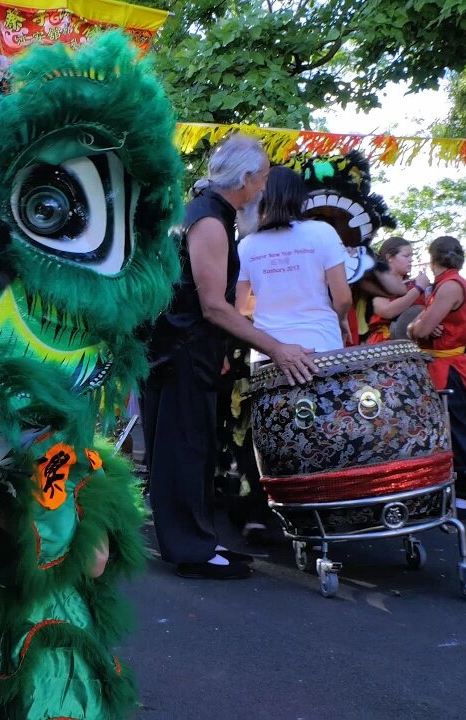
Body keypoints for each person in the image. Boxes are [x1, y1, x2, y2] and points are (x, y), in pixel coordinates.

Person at [144, 134, 316, 581]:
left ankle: (200, 541)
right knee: (183, 451)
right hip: (181, 353)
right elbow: (213, 305)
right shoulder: (209, 221)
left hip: (188, 351)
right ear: (243, 178)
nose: (263, 189)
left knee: (197, 450)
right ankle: (190, 550)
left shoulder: (206, 212)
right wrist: (276, 347)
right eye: (261, 178)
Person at [236, 165, 352, 352]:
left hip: (269, 353)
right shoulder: (322, 232)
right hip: (321, 344)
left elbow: (240, 306)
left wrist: (274, 297)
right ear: (299, 196)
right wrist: (341, 319)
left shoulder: (246, 245)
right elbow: (343, 299)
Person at [408, 236, 466, 518]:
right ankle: (452, 488)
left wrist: (417, 326)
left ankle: (465, 494)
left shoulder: (449, 286)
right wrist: (420, 325)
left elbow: (420, 329)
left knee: (456, 429)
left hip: (448, 367)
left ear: (431, 258)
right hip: (440, 364)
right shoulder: (448, 284)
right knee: (447, 429)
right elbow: (422, 325)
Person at [363, 236, 429, 343]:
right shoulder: (377, 282)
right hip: (385, 345)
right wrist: (418, 289)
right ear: (390, 257)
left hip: (414, 345)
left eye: (411, 255)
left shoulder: (413, 283)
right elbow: (386, 311)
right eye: (406, 256)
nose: (411, 259)